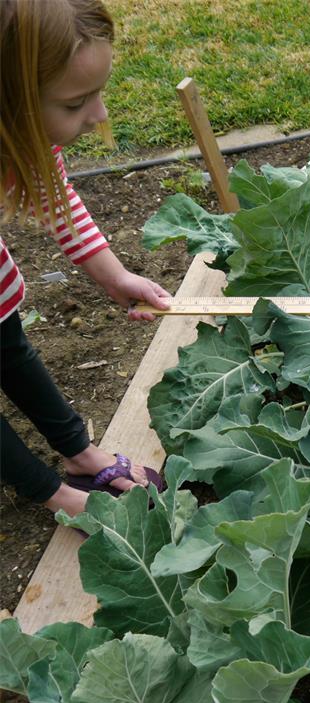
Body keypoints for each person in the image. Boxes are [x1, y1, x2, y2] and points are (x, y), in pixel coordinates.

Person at [1, 0, 172, 520]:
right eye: (76, 102)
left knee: (8, 346)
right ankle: (57, 495)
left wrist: (114, 275)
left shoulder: (21, 133)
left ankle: (78, 452)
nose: (99, 115)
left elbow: (55, 197)